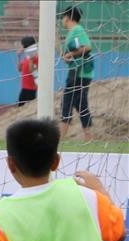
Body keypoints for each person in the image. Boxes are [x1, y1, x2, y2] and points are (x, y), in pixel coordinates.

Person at [59, 6, 94, 142]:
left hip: (79, 72)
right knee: (80, 103)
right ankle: (89, 136)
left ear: (67, 17)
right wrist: (68, 57)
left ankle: (61, 138)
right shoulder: (73, 32)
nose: (62, 20)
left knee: (67, 102)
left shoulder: (77, 30)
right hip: (81, 72)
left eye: (63, 17)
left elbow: (86, 47)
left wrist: (70, 54)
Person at [17, 36, 38, 106]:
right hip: (25, 87)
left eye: (22, 45)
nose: (22, 47)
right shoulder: (27, 57)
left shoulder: (35, 57)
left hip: (31, 88)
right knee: (20, 105)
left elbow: (31, 70)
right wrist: (19, 57)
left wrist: (31, 59)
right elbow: (19, 69)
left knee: (29, 106)